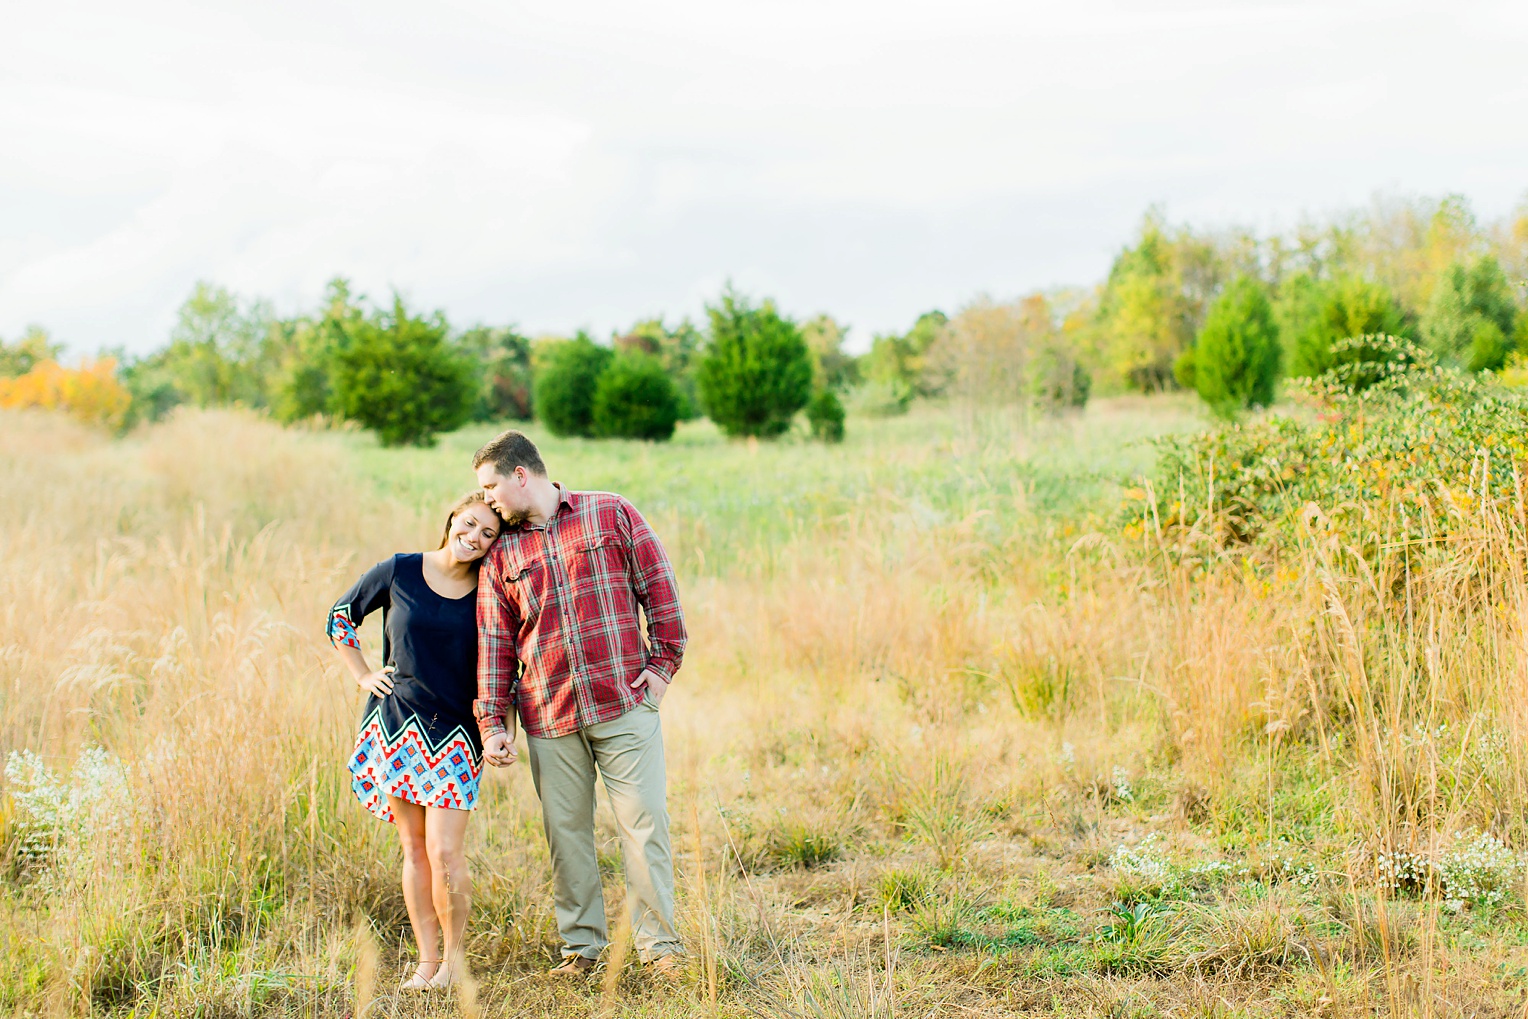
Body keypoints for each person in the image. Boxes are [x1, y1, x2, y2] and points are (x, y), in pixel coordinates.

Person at [471, 429, 688, 978]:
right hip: (549, 715)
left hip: (623, 703)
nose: (488, 499)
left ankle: (659, 948)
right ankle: (582, 949)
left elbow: (659, 588)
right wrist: (493, 722)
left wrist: (662, 667)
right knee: (567, 835)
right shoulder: (502, 555)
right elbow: (495, 644)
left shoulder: (610, 513)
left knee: (645, 825)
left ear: (522, 474)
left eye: (492, 485)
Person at [327, 492, 505, 991]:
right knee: (413, 849)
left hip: (458, 734)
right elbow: (340, 617)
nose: (474, 538)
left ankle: (453, 962)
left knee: (446, 852)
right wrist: (363, 675)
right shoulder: (401, 570)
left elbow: (503, 662)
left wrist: (498, 725)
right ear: (451, 520)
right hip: (397, 727)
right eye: (469, 525)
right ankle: (427, 963)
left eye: (488, 534)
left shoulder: (490, 589)